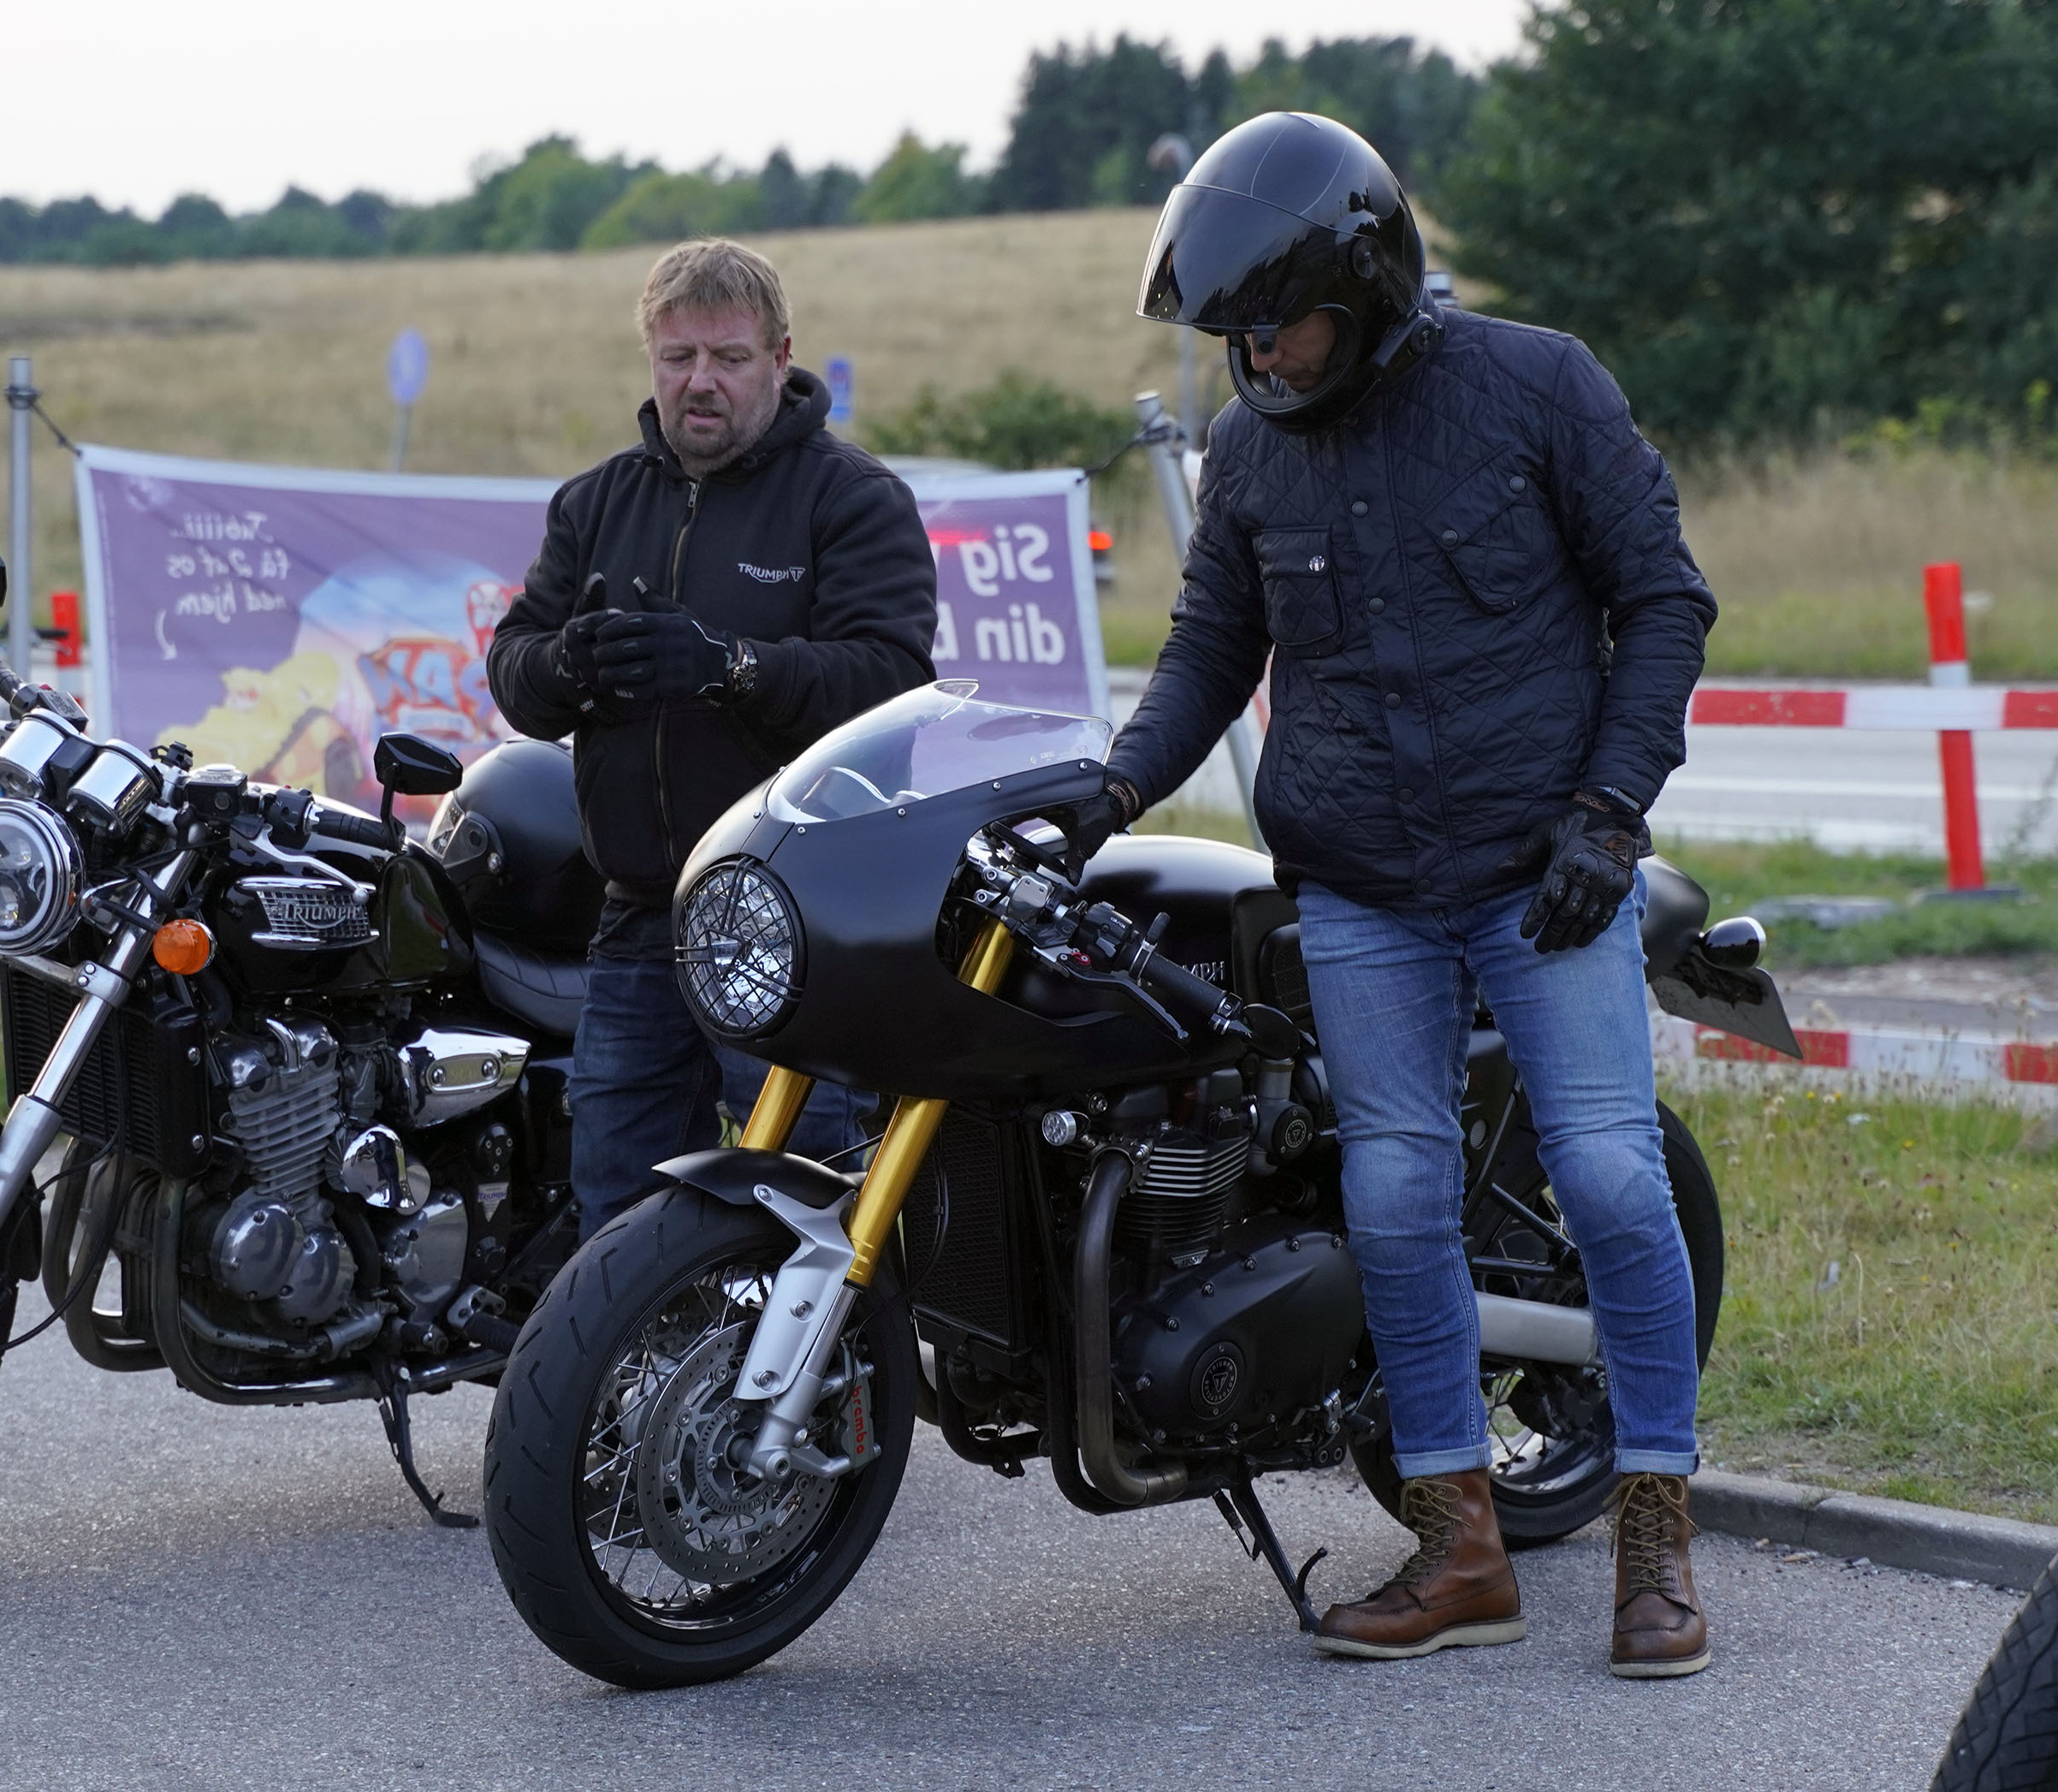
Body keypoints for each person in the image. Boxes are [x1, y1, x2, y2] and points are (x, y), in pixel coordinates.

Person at [1084, 113, 1718, 1678]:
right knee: (1392, 1195)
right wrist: (1108, 788)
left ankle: (1656, 1527)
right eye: (1233, 332)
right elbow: (1210, 649)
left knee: (1612, 1178)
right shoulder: (1249, 449)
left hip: (1542, 870)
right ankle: (1459, 1543)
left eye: (1277, 322)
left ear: (1364, 288)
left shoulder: (1540, 384)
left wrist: (1608, 814)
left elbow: (1662, 600)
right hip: (1362, 883)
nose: (1255, 355)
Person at [486, 239, 938, 1238]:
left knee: (802, 1215)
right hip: (637, 916)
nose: (701, 382)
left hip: (796, 918)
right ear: (651, 357)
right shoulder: (596, 501)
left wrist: (731, 667)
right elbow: (515, 670)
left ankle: (823, 1353)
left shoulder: (852, 499)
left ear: (780, 358)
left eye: (729, 358)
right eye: (678, 356)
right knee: (613, 1215)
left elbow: (895, 688)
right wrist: (571, 664)